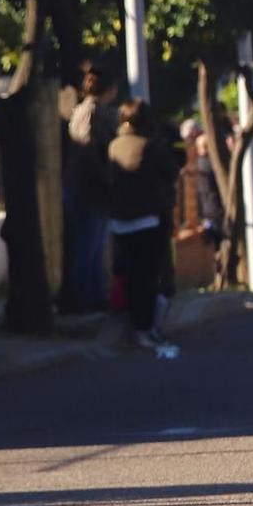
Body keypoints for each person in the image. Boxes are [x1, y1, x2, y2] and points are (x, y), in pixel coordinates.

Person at [105, 99, 179, 357]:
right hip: (148, 218)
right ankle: (145, 327)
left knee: (129, 273)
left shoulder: (113, 146)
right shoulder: (151, 146)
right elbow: (171, 172)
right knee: (148, 276)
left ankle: (134, 323)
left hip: (119, 220)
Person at [60, 59, 116, 313]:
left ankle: (95, 295)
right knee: (88, 245)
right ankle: (83, 297)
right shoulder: (90, 112)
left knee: (95, 246)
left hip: (93, 189)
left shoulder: (95, 111)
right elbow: (88, 151)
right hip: (87, 188)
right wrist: (106, 176)